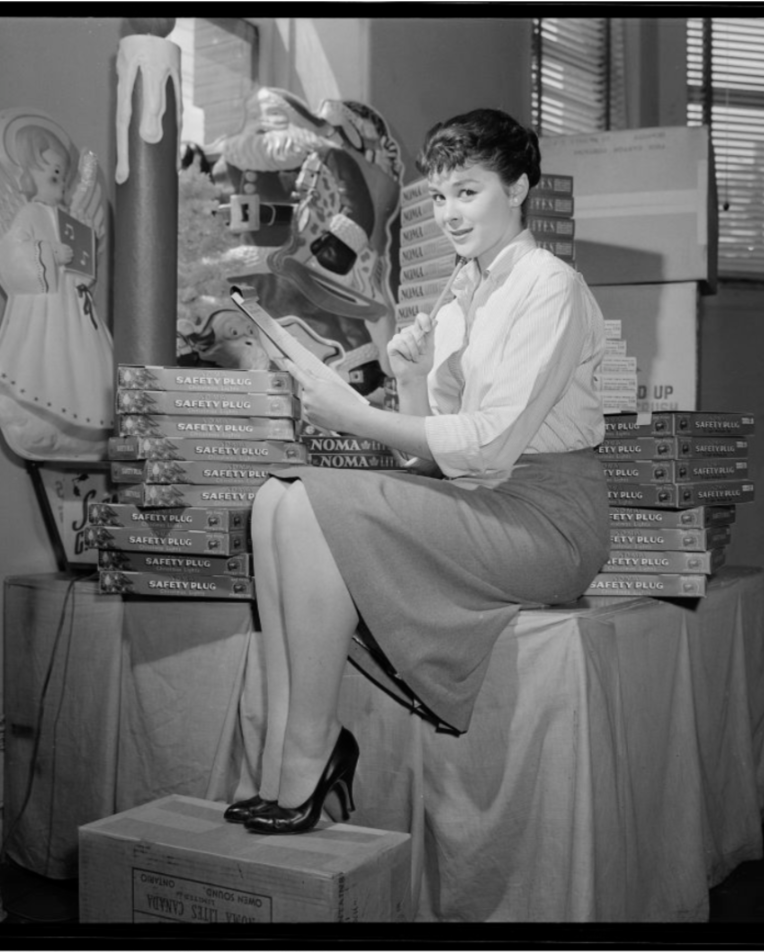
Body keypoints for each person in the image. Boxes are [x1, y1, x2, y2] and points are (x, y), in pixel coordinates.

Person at [228, 108, 610, 836]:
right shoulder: (464, 289)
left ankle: (311, 753)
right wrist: (402, 378)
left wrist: (354, 416)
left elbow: (492, 443)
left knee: (307, 507)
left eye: (467, 192)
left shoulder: (547, 285)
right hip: (478, 495)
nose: (448, 214)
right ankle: (286, 750)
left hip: (546, 516)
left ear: (519, 187)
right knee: (277, 499)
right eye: (438, 197)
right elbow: (431, 452)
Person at [0, 124, 114, 460]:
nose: (60, 179)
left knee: (82, 361)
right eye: (52, 172)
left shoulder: (67, 217)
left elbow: (85, 265)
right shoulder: (29, 212)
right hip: (47, 309)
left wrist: (82, 255)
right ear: (28, 174)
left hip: (75, 304)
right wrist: (50, 253)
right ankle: (45, 417)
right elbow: (14, 251)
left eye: (63, 174)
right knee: (50, 357)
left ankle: (89, 425)